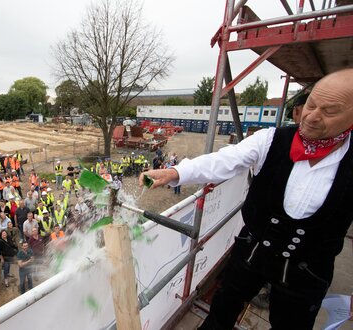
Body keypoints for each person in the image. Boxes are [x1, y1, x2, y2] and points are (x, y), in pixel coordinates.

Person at [139, 69, 353, 330]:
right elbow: (224, 160)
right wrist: (176, 172)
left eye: (329, 111)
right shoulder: (271, 139)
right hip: (252, 251)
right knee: (223, 309)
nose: (312, 117)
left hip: (307, 271)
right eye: (310, 104)